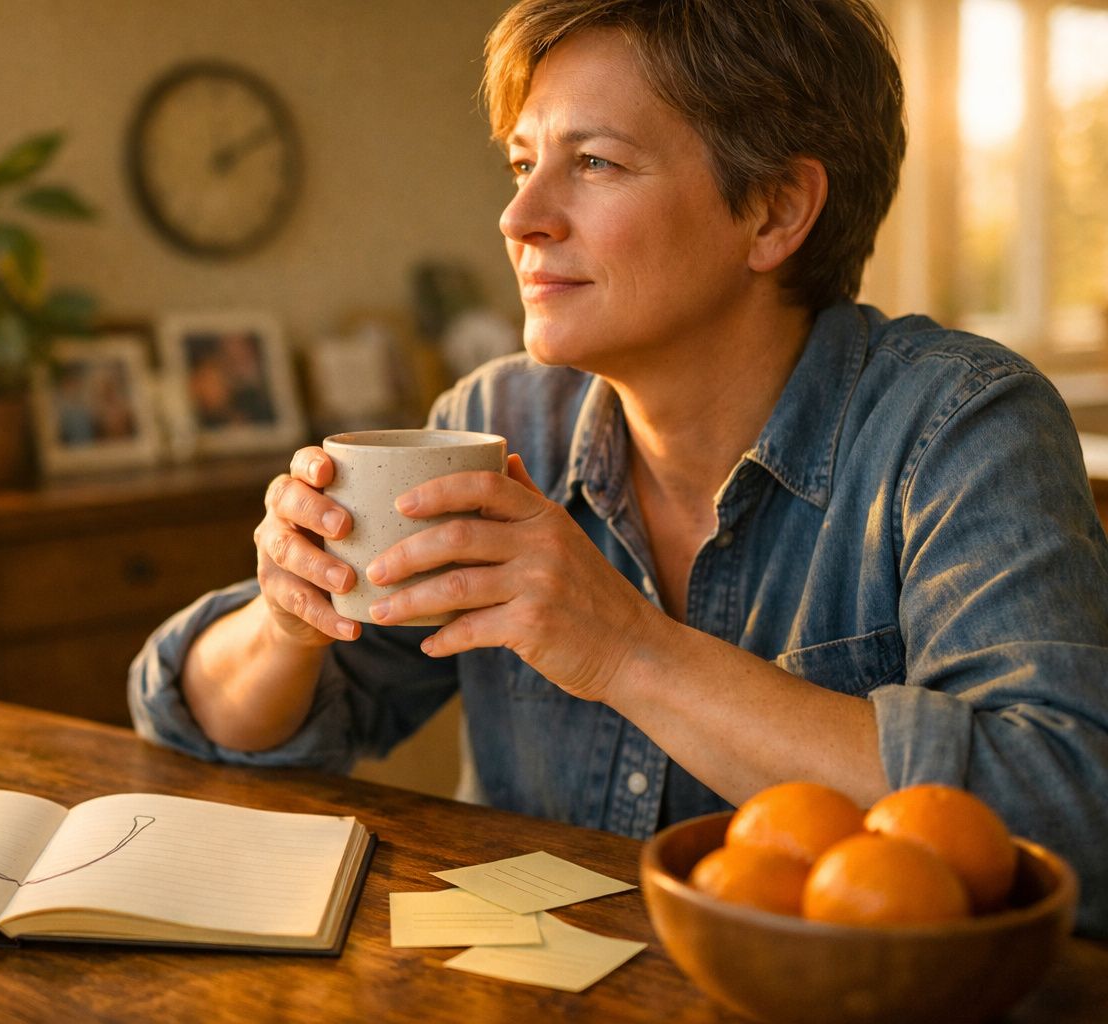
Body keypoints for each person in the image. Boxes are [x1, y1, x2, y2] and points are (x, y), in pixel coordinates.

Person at [129, 0, 1108, 933]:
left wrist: (628, 651)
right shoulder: (495, 422)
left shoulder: (958, 426)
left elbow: (1070, 816)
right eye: (522, 162)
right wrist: (287, 617)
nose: (520, 217)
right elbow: (205, 730)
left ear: (774, 211)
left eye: (594, 162)